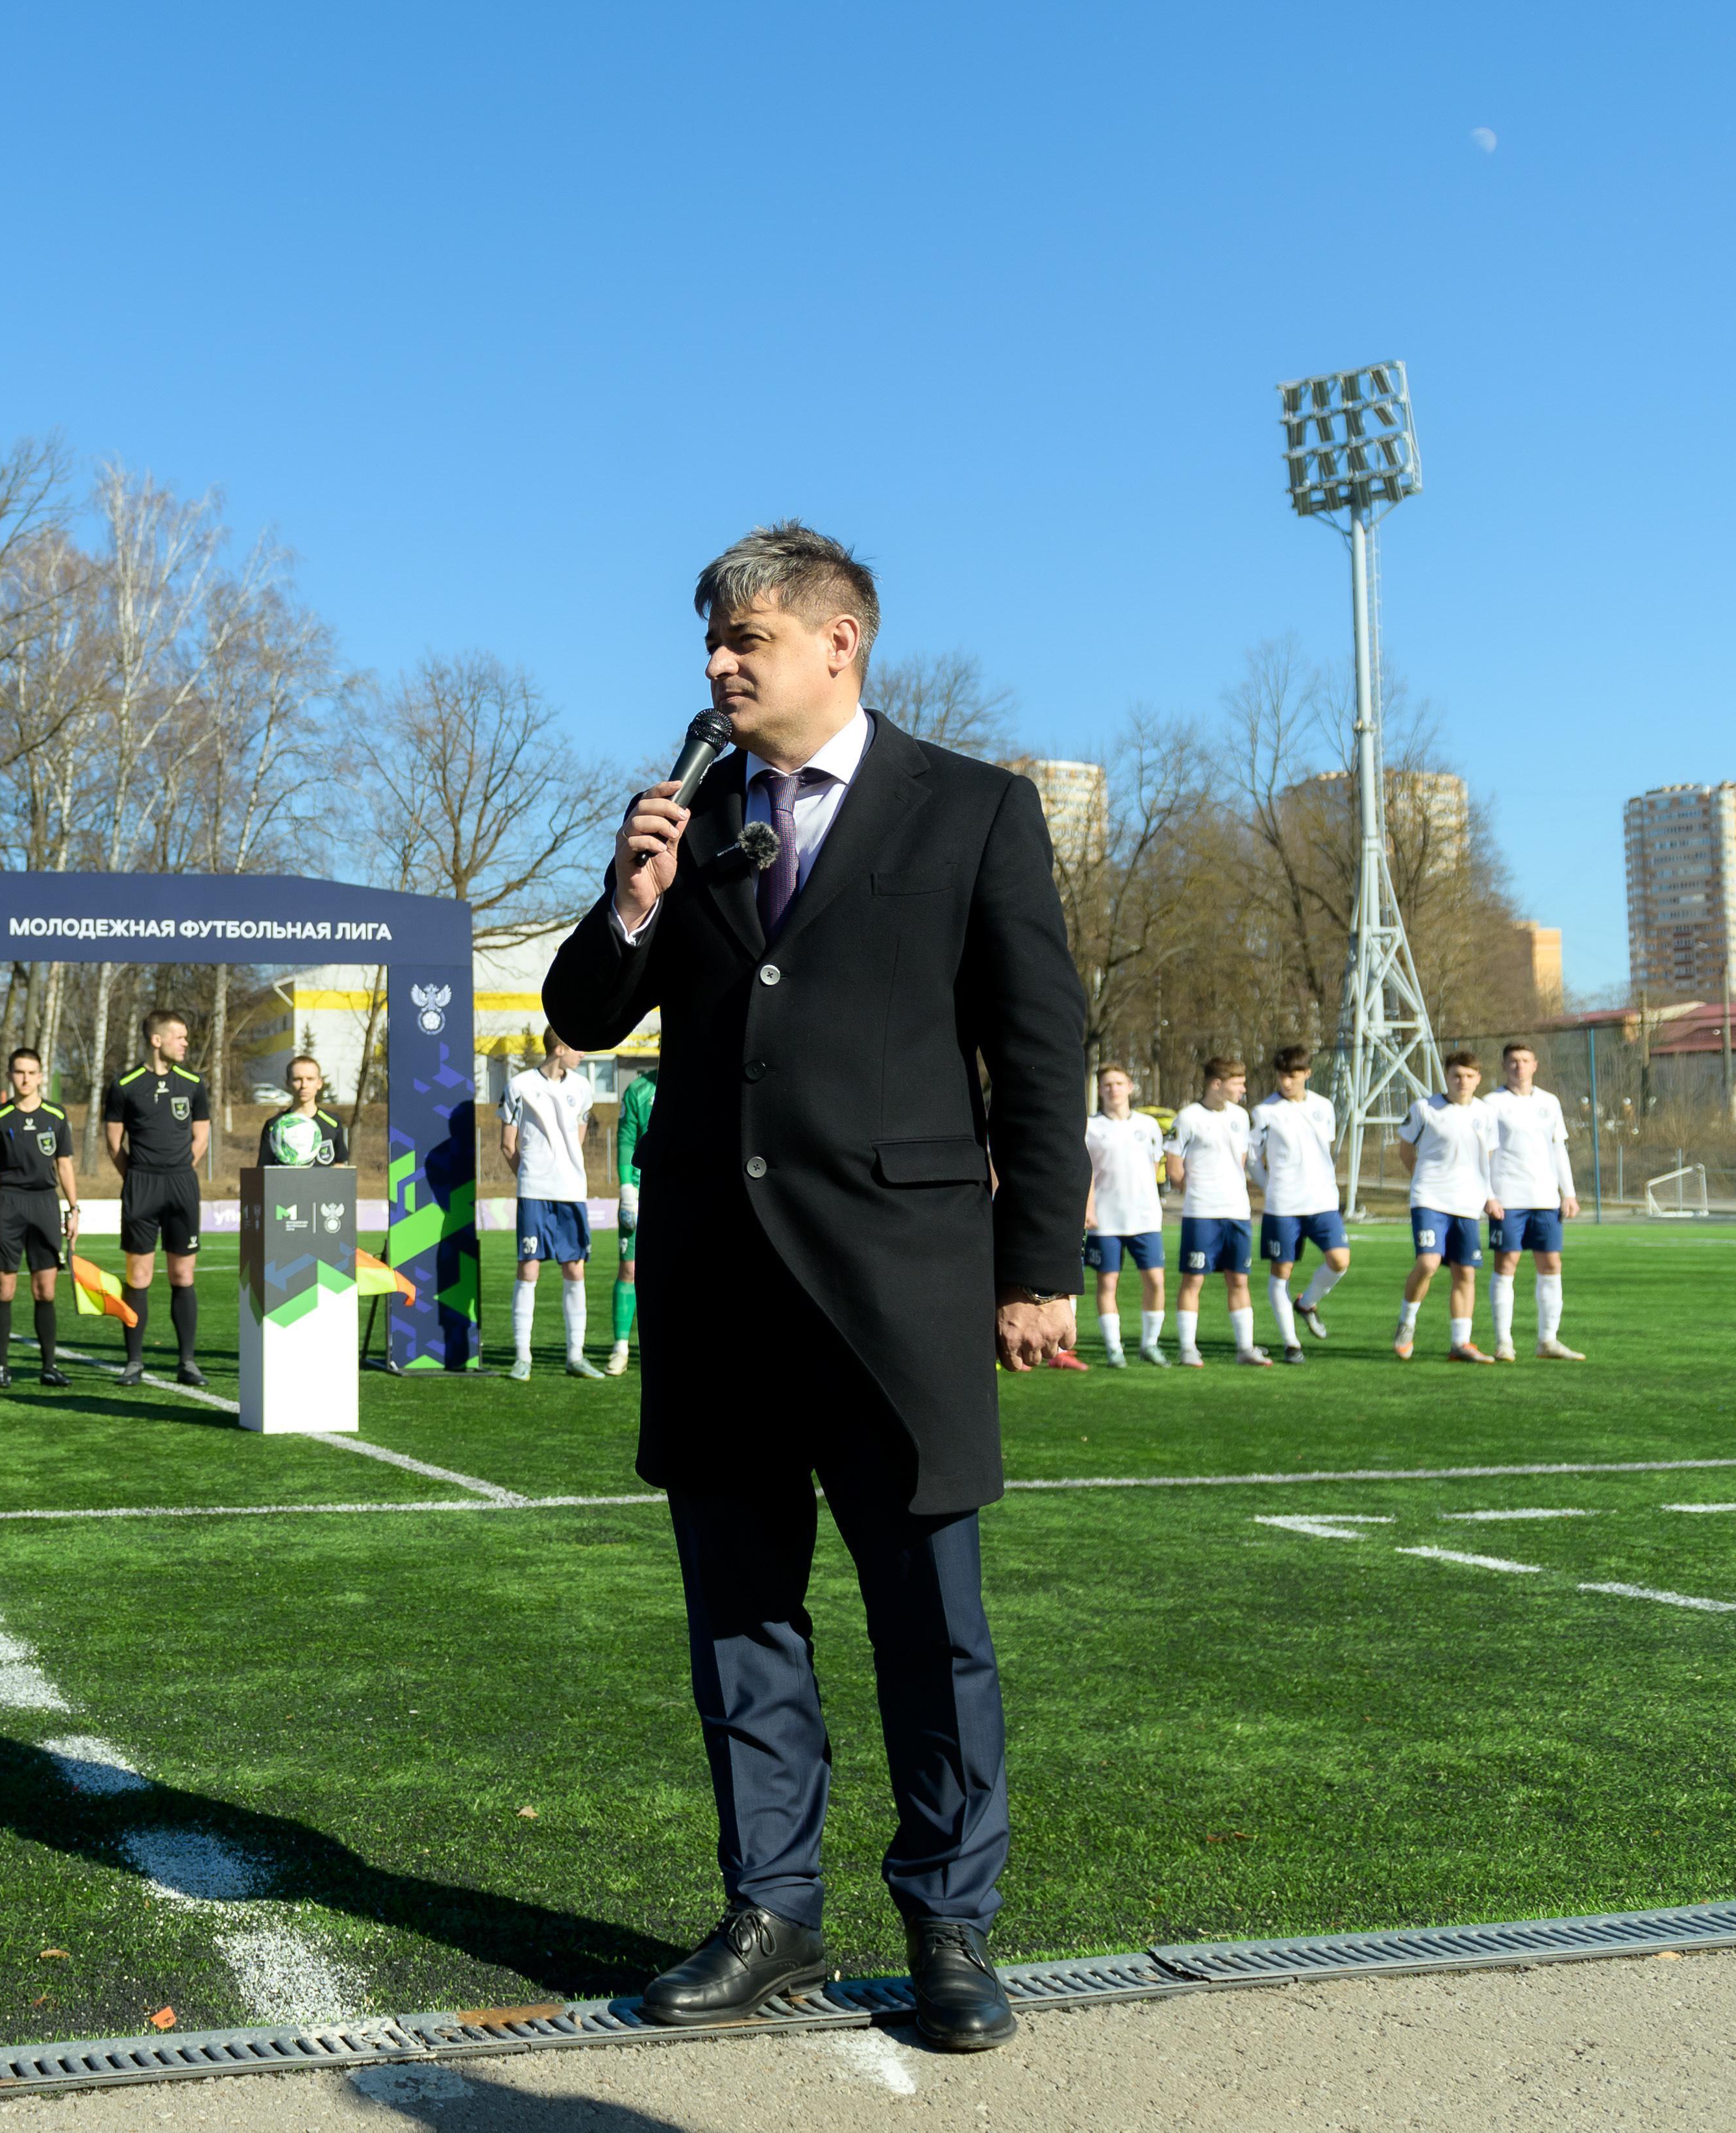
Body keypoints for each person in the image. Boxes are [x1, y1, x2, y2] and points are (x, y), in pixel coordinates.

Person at [541, 521, 1082, 2051]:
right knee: (740, 1621)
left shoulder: (970, 807)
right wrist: (632, 899)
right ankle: (768, 1911)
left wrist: (1036, 1265)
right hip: (717, 1290)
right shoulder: (696, 816)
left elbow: (1039, 1046)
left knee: (930, 1626)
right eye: (712, 642)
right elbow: (584, 1010)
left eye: (747, 638)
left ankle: (949, 1926)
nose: (719, 664)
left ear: (838, 641)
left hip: (897, 1288)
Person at [98, 1009, 212, 1387]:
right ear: (156, 1040)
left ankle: (188, 1363)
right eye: (179, 1037)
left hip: (182, 1185)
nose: (186, 1043)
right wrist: (138, 1177)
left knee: (183, 1274)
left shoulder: (193, 1083)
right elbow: (114, 1144)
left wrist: (178, 1170)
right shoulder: (124, 1085)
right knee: (139, 1276)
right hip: (142, 1186)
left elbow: (201, 1137)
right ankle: (134, 1363)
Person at [498, 1034, 604, 1381]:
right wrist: (531, 1177)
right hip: (535, 1192)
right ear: (559, 1049)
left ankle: (576, 1356)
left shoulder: (583, 1087)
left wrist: (564, 1172)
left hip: (571, 1192)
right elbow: (508, 1145)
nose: (582, 1053)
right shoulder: (519, 1085)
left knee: (575, 1268)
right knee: (529, 1268)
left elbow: (578, 1137)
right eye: (577, 1047)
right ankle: (522, 1358)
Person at [0, 1046, 81, 1387]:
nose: (26, 1079)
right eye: (20, 1072)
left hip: (45, 1205)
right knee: (4, 1288)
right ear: (11, 1075)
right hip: (8, 1206)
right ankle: (1, 1369)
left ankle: (49, 1366)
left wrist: (74, 1209)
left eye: (32, 1072)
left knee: (45, 1290)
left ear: (41, 1076)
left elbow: (64, 1165)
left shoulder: (56, 1115)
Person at [1478, 1041, 1586, 1362]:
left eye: (1525, 1060)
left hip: (1545, 1199)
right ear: (1504, 1065)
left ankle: (1548, 1341)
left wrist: (1568, 1193)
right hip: (1508, 1198)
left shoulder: (1549, 1102)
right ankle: (1504, 1342)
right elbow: (1483, 1154)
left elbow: (1558, 1148)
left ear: (1535, 1065)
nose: (1519, 1066)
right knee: (1506, 1265)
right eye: (1513, 1061)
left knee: (1551, 1265)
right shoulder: (1491, 1103)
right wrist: (1488, 1195)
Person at [1165, 1057, 1269, 1368]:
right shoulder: (1188, 1117)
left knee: (1239, 1280)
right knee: (1194, 1279)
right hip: (1202, 1214)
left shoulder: (1240, 1116)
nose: (1243, 1089)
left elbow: (1241, 1159)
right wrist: (1200, 1193)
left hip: (1237, 1212)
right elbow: (1174, 1168)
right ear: (1216, 1084)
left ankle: (1245, 1348)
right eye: (1238, 1083)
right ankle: (1187, 1349)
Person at [1395, 1050, 1496, 1362]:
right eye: (1456, 1075)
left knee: (1465, 1271)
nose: (1462, 1081)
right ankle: (1407, 1323)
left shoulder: (1485, 1113)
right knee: (1428, 1263)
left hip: (1467, 1204)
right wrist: (1424, 1179)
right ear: (1447, 1077)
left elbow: (1486, 1158)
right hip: (1430, 1200)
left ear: (1477, 1079)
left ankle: (1460, 1344)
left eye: (1469, 1076)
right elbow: (1405, 1151)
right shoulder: (1425, 1108)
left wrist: (1488, 1196)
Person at [1252, 1046, 1348, 1361]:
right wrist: (1270, 1187)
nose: (1286, 1082)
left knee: (1340, 1261)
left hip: (1323, 1201)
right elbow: (1252, 1158)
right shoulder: (1264, 1112)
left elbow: (1324, 1149)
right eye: (1282, 1076)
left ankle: (1306, 1304)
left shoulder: (1324, 1106)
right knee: (1282, 1272)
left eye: (1293, 1076)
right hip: (1283, 1206)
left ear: (1307, 1073)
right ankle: (1291, 1343)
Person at [1081, 1066, 1166, 1368]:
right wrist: (1088, 1209)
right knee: (1108, 1283)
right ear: (1100, 1090)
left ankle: (1150, 1344)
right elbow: (1086, 1174)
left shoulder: (1149, 1125)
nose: (1113, 1089)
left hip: (1145, 1218)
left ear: (1130, 1087)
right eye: (1107, 1085)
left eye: (1118, 1083)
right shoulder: (1091, 1127)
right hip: (1106, 1220)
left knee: (1156, 1281)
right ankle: (1114, 1348)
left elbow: (1155, 1168)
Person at [607, 1059, 656, 1375]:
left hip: (684, 1191)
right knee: (630, 1269)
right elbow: (626, 1139)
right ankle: (621, 1348)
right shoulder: (639, 1089)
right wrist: (626, 1188)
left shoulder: (701, 1081)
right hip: (640, 1194)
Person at [254, 1052, 349, 1172]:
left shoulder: (333, 1122)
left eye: (310, 1079)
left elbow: (340, 1166)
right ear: (288, 1083)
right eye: (297, 1079)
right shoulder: (274, 1126)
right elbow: (263, 1171)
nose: (304, 1085)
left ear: (319, 1083)